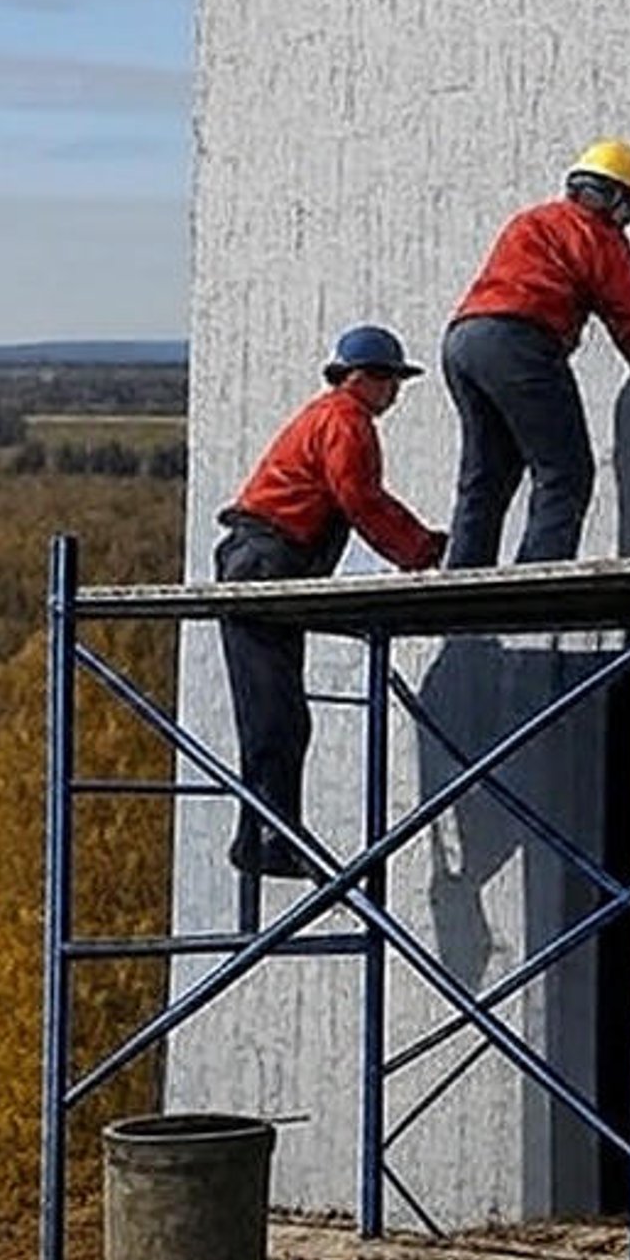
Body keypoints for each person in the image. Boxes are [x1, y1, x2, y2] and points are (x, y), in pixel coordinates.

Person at [215, 325, 445, 876]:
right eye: (390, 379)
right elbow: (358, 498)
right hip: (264, 562)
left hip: (262, 561)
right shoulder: (346, 420)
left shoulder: (333, 416)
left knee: (276, 714)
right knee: (275, 715)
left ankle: (263, 837)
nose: (395, 391)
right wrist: (419, 550)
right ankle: (268, 838)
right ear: (361, 378)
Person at [440, 137, 630, 568]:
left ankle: (462, 587)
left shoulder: (532, 220)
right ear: (619, 199)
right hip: (520, 344)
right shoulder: (600, 238)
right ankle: (535, 588)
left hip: (463, 343)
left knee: (488, 476)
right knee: (566, 473)